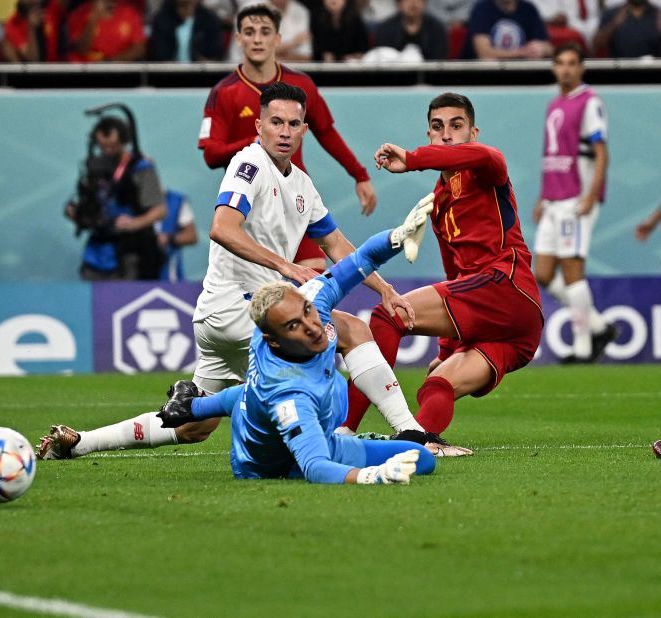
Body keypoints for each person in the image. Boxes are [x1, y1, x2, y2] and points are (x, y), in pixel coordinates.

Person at [37, 83, 465, 460]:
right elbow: (222, 227)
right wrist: (282, 265)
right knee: (350, 331)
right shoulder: (249, 165)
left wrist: (385, 290)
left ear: (303, 130)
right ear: (258, 125)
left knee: (192, 426)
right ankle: (410, 432)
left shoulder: (300, 182)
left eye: (293, 124)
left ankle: (81, 442)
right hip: (238, 309)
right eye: (275, 122)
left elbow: (335, 245)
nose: (284, 131)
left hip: (224, 319)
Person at [156, 231, 440, 484]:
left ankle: (190, 406)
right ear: (274, 340)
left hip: (256, 405)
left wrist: (398, 236)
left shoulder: (305, 306)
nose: (311, 326)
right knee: (309, 411)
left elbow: (359, 260)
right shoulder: (290, 395)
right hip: (273, 464)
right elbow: (316, 467)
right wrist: (372, 475)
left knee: (423, 457)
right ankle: (193, 408)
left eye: (306, 311)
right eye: (294, 326)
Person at [339, 92, 543, 441]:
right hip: (517, 331)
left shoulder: (487, 166)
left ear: (473, 133)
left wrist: (414, 158)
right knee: (437, 384)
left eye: (456, 126)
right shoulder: (438, 203)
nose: (446, 134)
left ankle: (343, 430)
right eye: (437, 127)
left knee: (390, 315)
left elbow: (482, 155)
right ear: (429, 134)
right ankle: (421, 441)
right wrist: (446, 350)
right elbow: (455, 277)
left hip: (505, 287)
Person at [199, 3, 376, 272]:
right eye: (249, 31)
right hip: (253, 208)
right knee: (264, 298)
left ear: (277, 38)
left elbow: (326, 132)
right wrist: (257, 142)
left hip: (296, 200)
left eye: (265, 31)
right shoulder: (224, 93)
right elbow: (211, 154)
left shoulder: (302, 84)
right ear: (238, 39)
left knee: (313, 286)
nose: (257, 39)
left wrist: (360, 174)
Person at [533, 44, 617, 364]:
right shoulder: (555, 104)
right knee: (542, 273)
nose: (565, 69)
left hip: (575, 200)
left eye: (571, 63)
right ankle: (598, 326)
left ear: (581, 67)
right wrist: (542, 196)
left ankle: (583, 347)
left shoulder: (589, 102)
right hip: (553, 199)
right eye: (560, 63)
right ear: (554, 67)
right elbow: (553, 155)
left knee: (572, 271)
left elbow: (601, 152)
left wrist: (591, 195)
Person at [66, 116, 167, 280]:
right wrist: (79, 215)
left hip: (132, 250)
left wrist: (134, 223)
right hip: (98, 250)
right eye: (103, 146)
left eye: (112, 146)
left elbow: (160, 210)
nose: (108, 150)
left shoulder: (140, 167)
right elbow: (88, 203)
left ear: (124, 141)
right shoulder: (94, 167)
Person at [462, 0, 552, 59]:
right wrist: (522, 52)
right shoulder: (481, 8)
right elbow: (484, 53)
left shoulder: (529, 9)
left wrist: (541, 48)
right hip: (483, 76)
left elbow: (549, 48)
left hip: (522, 74)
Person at [66, 0, 146, 61]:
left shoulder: (129, 13)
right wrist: (94, 18)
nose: (109, 3)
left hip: (118, 70)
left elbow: (140, 48)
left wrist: (111, 61)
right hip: (85, 71)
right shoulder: (78, 15)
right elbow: (81, 49)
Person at [149, 0, 226, 61]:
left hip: (201, 75)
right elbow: (159, 53)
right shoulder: (161, 19)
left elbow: (215, 52)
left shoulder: (209, 19)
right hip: (168, 75)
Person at [372, 0, 450, 60]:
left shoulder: (437, 28)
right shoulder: (386, 28)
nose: (413, 3)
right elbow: (383, 56)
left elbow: (439, 58)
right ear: (399, 4)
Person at [593, 0, 661, 58]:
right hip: (618, 69)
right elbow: (596, 45)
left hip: (652, 69)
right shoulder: (612, 13)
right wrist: (613, 24)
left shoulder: (658, 14)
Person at [156, 189, 199, 281]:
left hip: (169, 275)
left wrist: (169, 238)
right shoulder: (129, 199)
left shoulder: (175, 200)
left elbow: (192, 236)